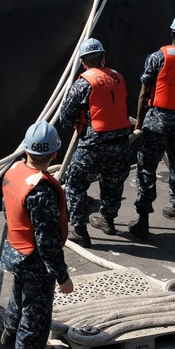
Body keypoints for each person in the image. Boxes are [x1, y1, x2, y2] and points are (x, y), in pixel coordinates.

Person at [0, 121, 74, 349]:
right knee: (36, 317)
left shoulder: (13, 171)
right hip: (35, 260)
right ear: (54, 154)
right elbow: (48, 241)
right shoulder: (42, 191)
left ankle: (9, 332)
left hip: (14, 250)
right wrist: (62, 276)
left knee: (17, 293)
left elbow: (8, 211)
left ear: (27, 150)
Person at [129, 13, 175, 234]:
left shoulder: (157, 57)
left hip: (157, 122)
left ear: (172, 33)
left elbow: (144, 93)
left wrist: (139, 123)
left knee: (146, 167)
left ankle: (143, 219)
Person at [58, 39, 132, 246]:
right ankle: (108, 221)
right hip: (121, 144)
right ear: (103, 58)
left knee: (75, 184)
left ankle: (80, 231)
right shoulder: (118, 78)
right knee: (113, 183)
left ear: (83, 63)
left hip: (93, 146)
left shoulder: (82, 84)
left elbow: (65, 118)